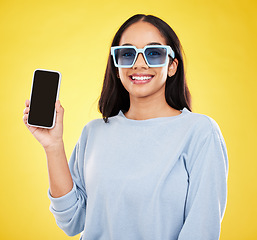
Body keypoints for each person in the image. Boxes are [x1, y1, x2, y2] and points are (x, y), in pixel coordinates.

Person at [23, 14, 229, 240]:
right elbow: (72, 221)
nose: (139, 64)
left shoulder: (200, 132)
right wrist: (53, 146)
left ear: (172, 66)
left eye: (153, 53)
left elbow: (201, 230)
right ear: (116, 64)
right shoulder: (94, 132)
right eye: (128, 54)